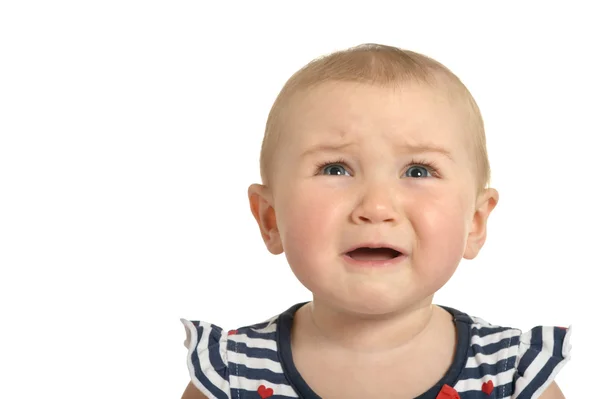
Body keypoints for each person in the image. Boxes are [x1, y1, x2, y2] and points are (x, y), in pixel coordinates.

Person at [180, 43, 571, 399]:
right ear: (270, 218)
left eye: (418, 171)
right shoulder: (230, 375)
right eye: (335, 169)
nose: (376, 206)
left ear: (475, 222)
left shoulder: (513, 376)